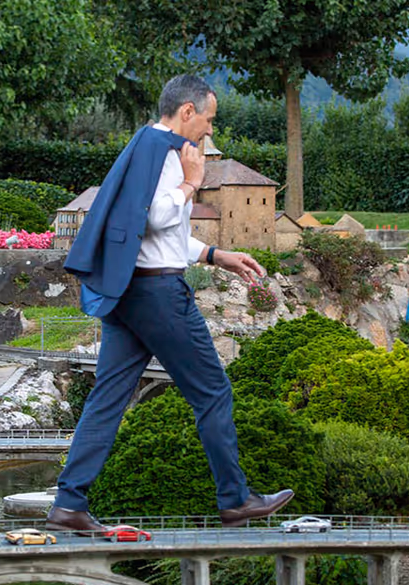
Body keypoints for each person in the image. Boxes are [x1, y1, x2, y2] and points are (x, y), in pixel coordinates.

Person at [49, 74, 294, 535]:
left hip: (129, 293)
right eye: (208, 119)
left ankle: (68, 503)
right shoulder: (168, 155)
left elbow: (160, 235)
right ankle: (236, 499)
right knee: (213, 391)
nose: (209, 131)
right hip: (159, 296)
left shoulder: (142, 145)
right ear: (187, 111)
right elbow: (158, 216)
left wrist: (214, 255)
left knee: (108, 397)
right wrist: (193, 183)